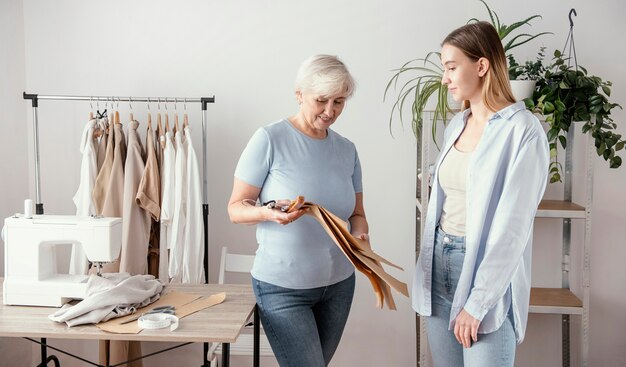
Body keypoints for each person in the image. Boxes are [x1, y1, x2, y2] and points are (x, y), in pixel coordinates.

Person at [411, 21, 549, 366]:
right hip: (439, 263)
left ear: (482, 66)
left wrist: (478, 303)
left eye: (451, 67)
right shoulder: (458, 123)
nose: (445, 78)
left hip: (483, 271)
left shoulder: (523, 131)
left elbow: (513, 229)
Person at [227, 54, 368, 367]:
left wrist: (361, 238)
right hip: (282, 290)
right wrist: (268, 214)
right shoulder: (270, 139)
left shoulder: (347, 150)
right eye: (321, 100)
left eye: (339, 102)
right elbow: (236, 209)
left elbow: (356, 214)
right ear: (299, 94)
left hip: (339, 287)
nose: (330, 111)